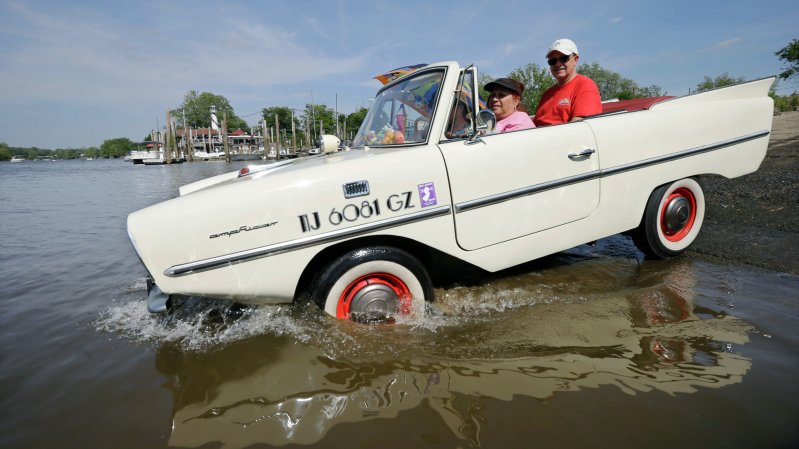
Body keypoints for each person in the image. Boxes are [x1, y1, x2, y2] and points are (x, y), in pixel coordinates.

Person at [533, 38, 602, 127]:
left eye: (564, 58)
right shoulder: (547, 94)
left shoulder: (585, 86)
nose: (558, 64)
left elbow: (580, 127)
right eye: (552, 61)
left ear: (576, 59)